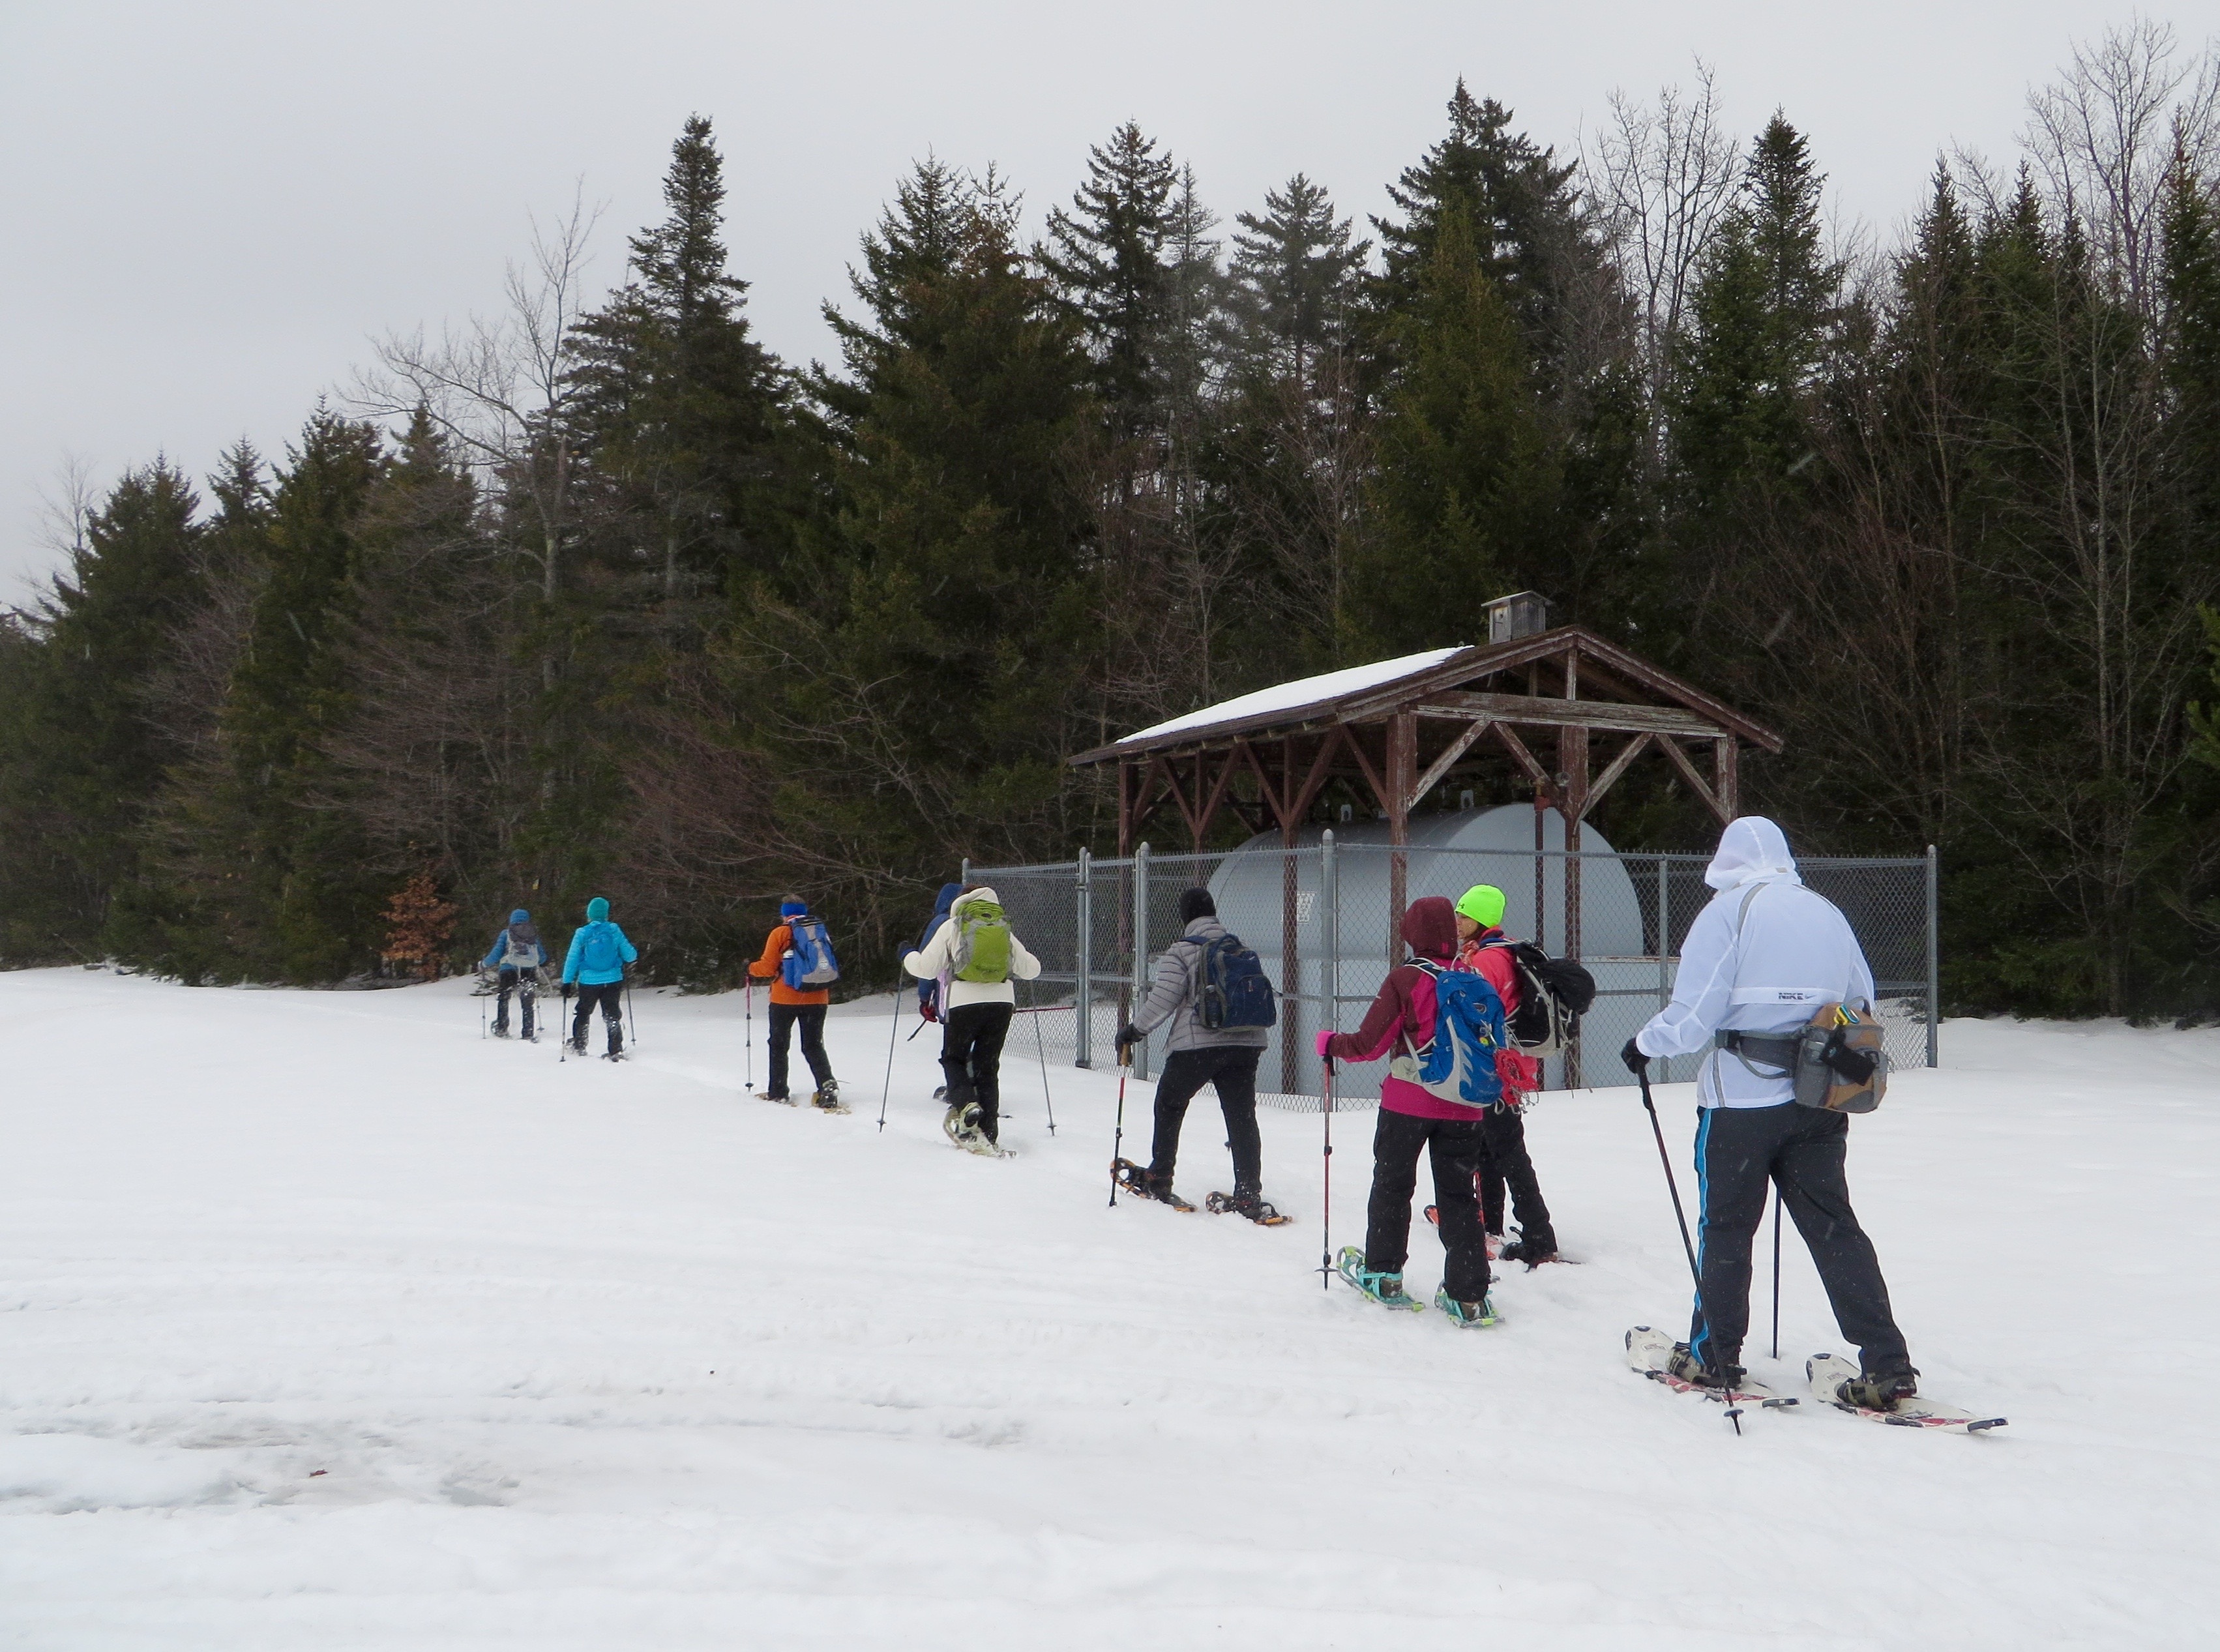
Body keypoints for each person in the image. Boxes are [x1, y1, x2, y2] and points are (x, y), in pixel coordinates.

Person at [1621, 815, 1916, 1409]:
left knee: (1726, 1228)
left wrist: (1642, 1045)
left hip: (1742, 1102)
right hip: (1819, 1098)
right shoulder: (1825, 911)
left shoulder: (1727, 913)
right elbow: (1861, 999)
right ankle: (1888, 1364)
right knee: (1834, 1228)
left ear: (1724, 861)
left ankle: (1715, 1356)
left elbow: (1694, 1015)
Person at [1319, 895, 1496, 1327]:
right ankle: (1469, 1296)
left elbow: (1369, 1045)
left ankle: (1383, 1274)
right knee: (1457, 1198)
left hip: (1407, 1103)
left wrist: (1329, 1043)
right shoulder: (1474, 979)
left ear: (1411, 933)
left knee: (1393, 1186)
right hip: (1465, 1106)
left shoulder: (1405, 979)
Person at [1111, 888, 1279, 1220]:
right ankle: (1248, 1194)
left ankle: (1159, 1176)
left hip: (1197, 1046)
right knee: (1242, 1118)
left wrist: (1134, 1032)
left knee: (1170, 1104)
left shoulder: (1182, 951)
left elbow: (1163, 1001)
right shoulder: (1240, 949)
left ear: (1185, 917)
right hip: (1246, 1045)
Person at [1452, 884, 1560, 1265]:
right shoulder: (1506, 952)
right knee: (1492, 1146)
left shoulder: (1485, 962)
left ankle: (1539, 1236)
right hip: (1511, 1066)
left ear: (1480, 919)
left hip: (1495, 1070)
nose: (1458, 921)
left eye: (1464, 915)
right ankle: (1491, 1221)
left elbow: (1476, 1017)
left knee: (1509, 1151)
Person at [901, 885, 1041, 1149]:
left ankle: (966, 1105)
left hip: (963, 1003)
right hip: (1001, 1003)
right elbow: (1032, 970)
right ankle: (990, 1133)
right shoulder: (1002, 928)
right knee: (988, 1067)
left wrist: (907, 954)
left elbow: (926, 969)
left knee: (953, 1058)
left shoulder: (953, 925)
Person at [749, 895, 840, 1108]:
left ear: (784, 913)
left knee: (779, 1045)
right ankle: (827, 1086)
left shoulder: (780, 932)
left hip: (784, 999)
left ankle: (778, 1092)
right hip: (818, 997)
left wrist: (749, 968)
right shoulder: (819, 931)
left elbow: (768, 968)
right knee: (813, 1045)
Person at [561, 896, 637, 1058]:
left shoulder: (582, 933)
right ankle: (616, 1049)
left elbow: (572, 958)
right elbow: (631, 956)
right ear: (606, 914)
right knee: (612, 1015)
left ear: (589, 914)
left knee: (583, 1012)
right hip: (613, 980)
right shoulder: (614, 930)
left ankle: (579, 1044)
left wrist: (567, 981)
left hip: (588, 981)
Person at [481, 907, 546, 1041]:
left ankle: (502, 1028)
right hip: (528, 970)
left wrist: (484, 964)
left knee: (504, 997)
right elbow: (542, 956)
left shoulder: (506, 934)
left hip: (508, 970)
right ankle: (528, 1033)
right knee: (527, 1002)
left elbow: (497, 952)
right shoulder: (532, 935)